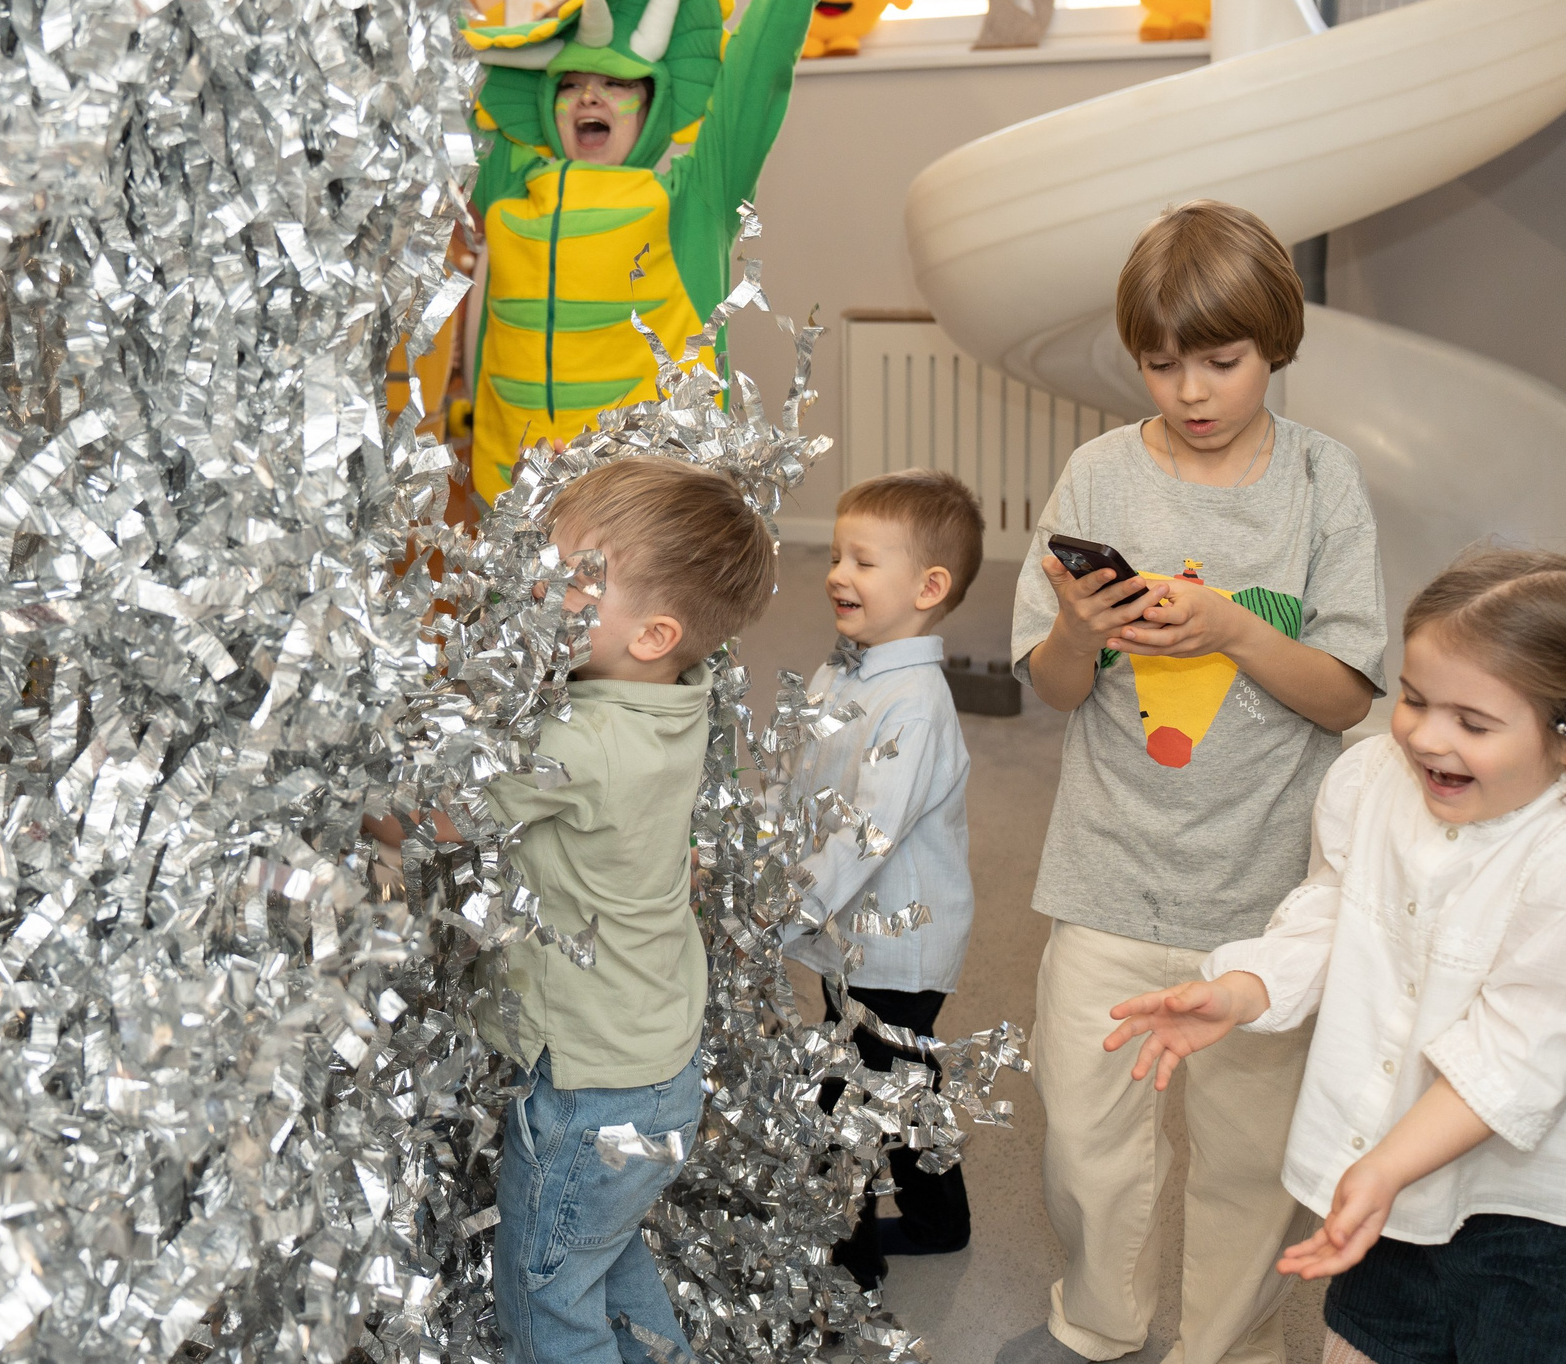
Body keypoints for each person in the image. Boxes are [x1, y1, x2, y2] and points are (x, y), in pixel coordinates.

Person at [1103, 549, 1566, 1364]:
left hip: (1550, 1228)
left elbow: (1516, 1056)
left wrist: (1386, 1166)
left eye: (1473, 722)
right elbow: (1330, 912)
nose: (1425, 734)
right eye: (1414, 699)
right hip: (1389, 1189)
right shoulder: (1370, 779)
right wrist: (1244, 989)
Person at [1010, 200, 1386, 1364]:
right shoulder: (1096, 475)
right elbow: (1056, 690)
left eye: (1221, 361)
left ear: (1276, 341)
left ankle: (1218, 1350)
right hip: (1108, 874)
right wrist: (1080, 628)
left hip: (1267, 896)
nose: (1190, 392)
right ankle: (1101, 1323)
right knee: (1085, 1137)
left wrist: (1229, 627)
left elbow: (1346, 698)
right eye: (1161, 364)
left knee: (1247, 1160)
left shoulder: (1324, 482)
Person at [369, 455, 772, 1364]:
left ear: (653, 631)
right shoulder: (676, 695)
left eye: (570, 584)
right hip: (659, 1061)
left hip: (591, 1092)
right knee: (607, 1263)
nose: (536, 594)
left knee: (545, 1299)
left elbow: (429, 813)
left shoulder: (579, 744)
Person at [456, 0, 914, 502]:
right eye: (570, 84)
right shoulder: (511, 185)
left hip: (644, 511)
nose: (588, 98)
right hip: (512, 504)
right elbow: (437, 78)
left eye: (615, 84)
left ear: (656, 104)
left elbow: (759, 62)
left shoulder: (691, 197)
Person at [781, 470, 983, 1285]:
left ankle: (843, 1266)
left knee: (848, 1098)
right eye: (836, 555)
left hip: (902, 939)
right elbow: (807, 774)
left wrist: (787, 904)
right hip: (850, 935)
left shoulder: (915, 701)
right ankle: (940, 1218)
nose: (837, 573)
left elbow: (871, 832)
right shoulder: (847, 670)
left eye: (863, 561)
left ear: (928, 586)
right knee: (901, 1077)